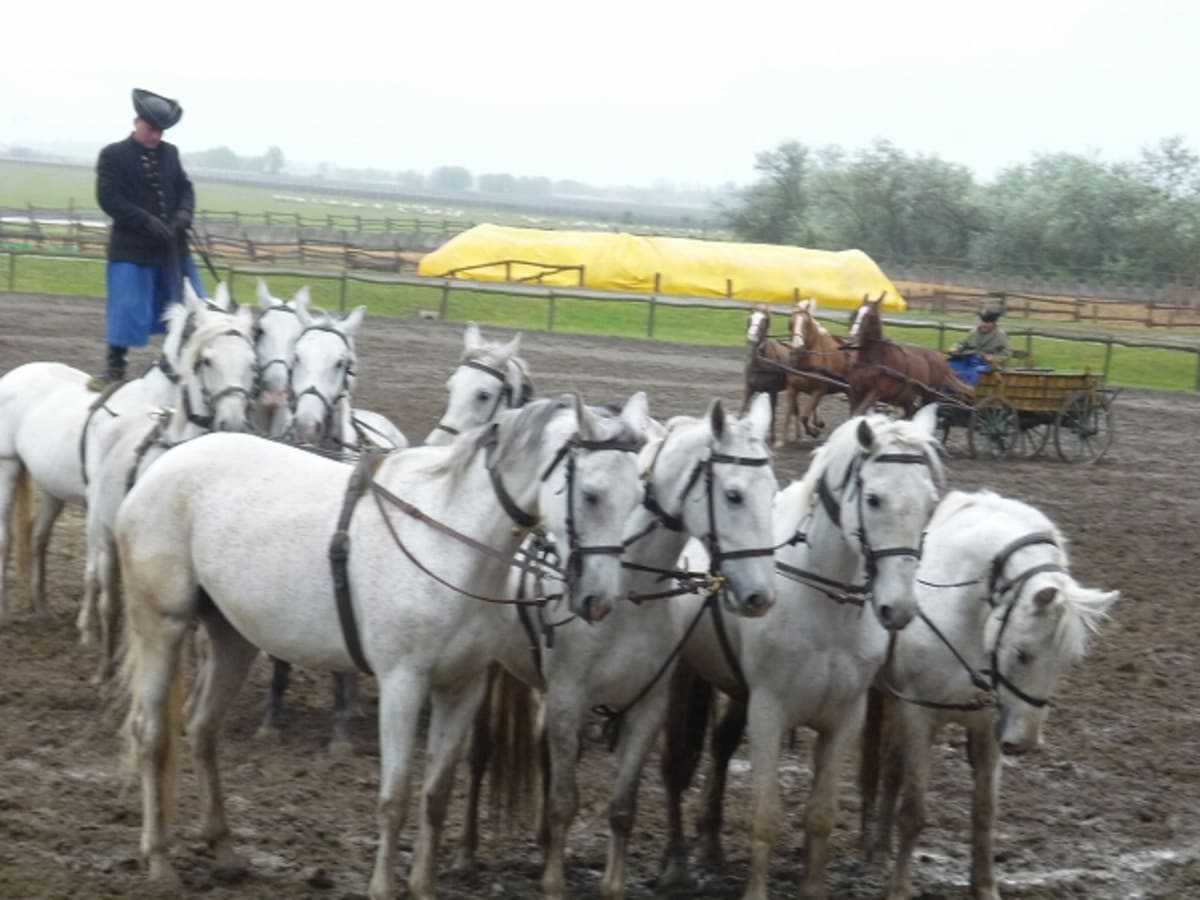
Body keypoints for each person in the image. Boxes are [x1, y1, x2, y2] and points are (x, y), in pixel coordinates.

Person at [88, 88, 206, 390]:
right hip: (132, 250)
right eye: (152, 129)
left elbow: (185, 189)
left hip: (171, 249)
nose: (156, 136)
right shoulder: (113, 155)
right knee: (126, 307)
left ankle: (180, 361)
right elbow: (109, 198)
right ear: (137, 122)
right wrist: (146, 221)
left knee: (185, 304)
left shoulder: (170, 154)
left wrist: (183, 214)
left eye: (161, 131)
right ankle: (115, 368)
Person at [947, 307, 1011, 387]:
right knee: (949, 365)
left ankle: (967, 391)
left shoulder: (1001, 336)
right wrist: (955, 348)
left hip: (986, 363)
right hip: (968, 359)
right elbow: (962, 343)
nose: (983, 324)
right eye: (982, 322)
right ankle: (948, 390)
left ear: (994, 324)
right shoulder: (974, 332)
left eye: (987, 322)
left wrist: (994, 358)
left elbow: (1007, 354)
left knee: (975, 371)